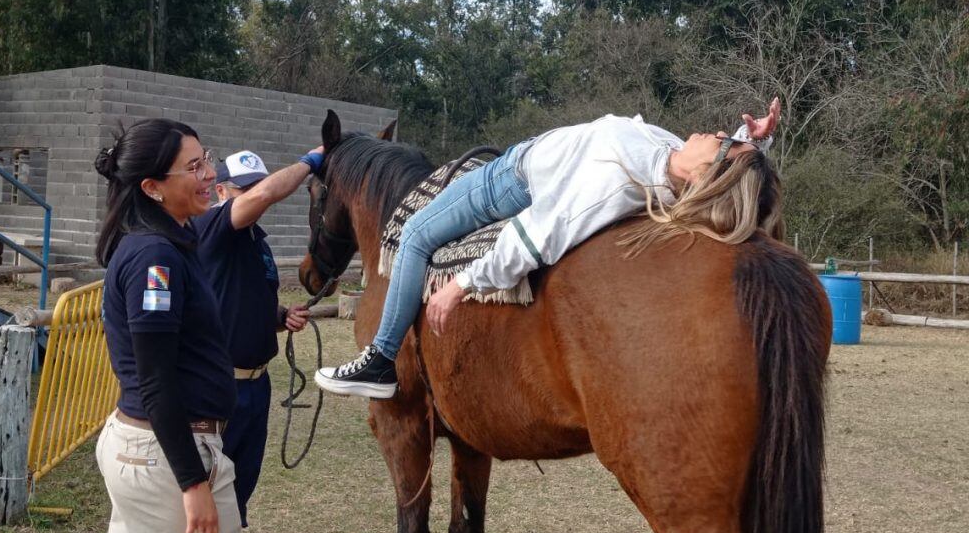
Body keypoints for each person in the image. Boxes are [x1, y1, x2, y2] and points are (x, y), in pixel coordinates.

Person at [315, 99, 783, 399]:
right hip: (524, 160)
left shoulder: (615, 183)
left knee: (416, 233)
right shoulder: (670, 153)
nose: (718, 134)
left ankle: (380, 360)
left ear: (704, 176)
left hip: (510, 179)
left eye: (725, 144)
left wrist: (460, 284)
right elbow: (721, 169)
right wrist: (750, 140)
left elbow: (534, 236)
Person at [89, 119, 252, 533]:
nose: (211, 175)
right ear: (152, 188)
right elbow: (157, 382)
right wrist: (192, 482)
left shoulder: (169, 245)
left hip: (142, 451)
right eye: (195, 167)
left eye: (208, 159)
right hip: (167, 454)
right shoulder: (154, 256)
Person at [194, 149, 318, 533]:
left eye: (256, 186)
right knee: (207, 486)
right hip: (218, 384)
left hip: (257, 385)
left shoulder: (258, 243)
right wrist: (311, 160)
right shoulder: (212, 225)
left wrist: (280, 318)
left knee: (238, 489)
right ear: (220, 191)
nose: (254, 196)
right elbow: (265, 196)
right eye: (243, 189)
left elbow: (244, 301)